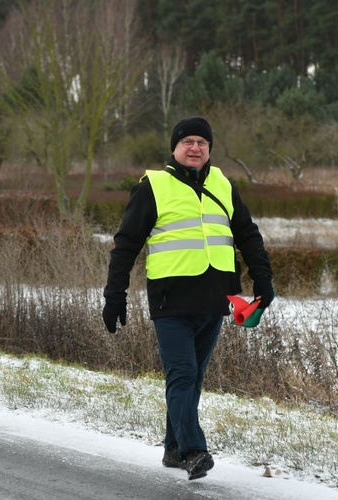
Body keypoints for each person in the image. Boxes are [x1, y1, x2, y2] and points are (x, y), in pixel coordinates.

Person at [102, 116, 274, 481]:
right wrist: (114, 295)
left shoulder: (223, 185)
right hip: (171, 303)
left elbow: (247, 233)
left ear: (209, 149)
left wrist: (263, 278)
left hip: (215, 302)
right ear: (175, 148)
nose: (195, 148)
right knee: (182, 373)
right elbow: (126, 245)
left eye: (202, 142)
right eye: (188, 141)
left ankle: (173, 448)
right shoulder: (154, 186)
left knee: (192, 380)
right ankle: (194, 451)